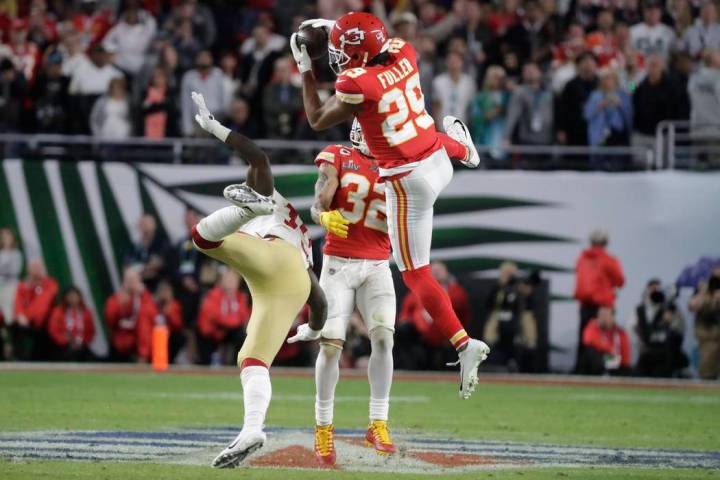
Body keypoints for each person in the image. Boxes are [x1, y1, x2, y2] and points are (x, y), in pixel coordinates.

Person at [297, 15, 491, 400]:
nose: (337, 56)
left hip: (409, 182)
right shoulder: (405, 49)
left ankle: (464, 344)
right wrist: (338, 25)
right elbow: (374, 42)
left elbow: (318, 118)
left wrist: (305, 68)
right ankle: (466, 149)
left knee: (416, 273)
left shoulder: (354, 83)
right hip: (439, 160)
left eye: (343, 49)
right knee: (424, 129)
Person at [188, 92, 327, 468]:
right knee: (252, 360)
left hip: (273, 257)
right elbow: (319, 301)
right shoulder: (297, 229)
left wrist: (216, 128)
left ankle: (241, 210)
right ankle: (252, 429)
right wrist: (314, 329)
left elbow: (258, 158)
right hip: (294, 280)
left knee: (202, 236)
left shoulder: (268, 200)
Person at [398, 260, 472, 368]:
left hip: (445, 335)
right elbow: (405, 313)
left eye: (439, 270)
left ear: (447, 272)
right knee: (404, 330)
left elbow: (464, 315)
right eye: (433, 270)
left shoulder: (456, 292)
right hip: (420, 334)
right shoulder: (417, 291)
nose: (436, 273)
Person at [573, 229, 625, 372]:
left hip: (585, 305)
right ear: (605, 243)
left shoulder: (581, 259)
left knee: (584, 340)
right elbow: (620, 281)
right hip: (603, 307)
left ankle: (581, 371)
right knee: (608, 339)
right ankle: (611, 369)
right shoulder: (609, 260)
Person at [633, 279, 688, 377]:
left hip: (666, 353)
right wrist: (640, 343)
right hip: (647, 353)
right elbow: (632, 329)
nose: (655, 292)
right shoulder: (640, 309)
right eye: (652, 289)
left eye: (658, 289)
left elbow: (680, 330)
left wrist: (671, 320)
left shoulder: (670, 308)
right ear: (646, 291)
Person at [196, 270, 250, 365]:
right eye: (228, 280)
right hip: (213, 331)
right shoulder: (213, 295)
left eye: (233, 281)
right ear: (221, 281)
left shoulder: (240, 297)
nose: (230, 284)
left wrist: (233, 321)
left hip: (230, 330)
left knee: (241, 335)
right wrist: (233, 321)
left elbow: (244, 315)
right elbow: (214, 315)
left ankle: (237, 364)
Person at [583, 67, 633, 169]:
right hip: (600, 139)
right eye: (605, 78)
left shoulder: (623, 94)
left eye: (610, 78)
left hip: (618, 138)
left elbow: (630, 116)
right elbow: (586, 115)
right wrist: (600, 106)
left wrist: (620, 104)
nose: (608, 81)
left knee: (618, 166)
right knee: (597, 167)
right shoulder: (595, 95)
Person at [104, 267, 157, 362]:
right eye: (128, 280)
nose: (131, 283)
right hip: (120, 343)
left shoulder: (145, 298)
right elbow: (110, 321)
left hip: (139, 343)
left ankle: (143, 356)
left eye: (134, 280)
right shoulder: (116, 299)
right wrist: (121, 306)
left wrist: (144, 294)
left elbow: (152, 318)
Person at [11, 259, 58, 360]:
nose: (36, 270)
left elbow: (43, 304)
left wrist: (42, 282)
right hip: (26, 322)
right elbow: (18, 303)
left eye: (39, 267)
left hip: (44, 324)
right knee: (15, 326)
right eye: (34, 267)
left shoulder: (50, 283)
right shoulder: (23, 286)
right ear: (28, 270)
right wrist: (20, 315)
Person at [503, 62, 554, 149]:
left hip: (548, 138)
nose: (530, 73)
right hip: (527, 139)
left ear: (540, 72)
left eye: (532, 70)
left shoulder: (549, 91)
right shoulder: (519, 92)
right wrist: (506, 137)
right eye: (526, 70)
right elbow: (512, 116)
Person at [101, 0, 157, 77]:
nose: (131, 16)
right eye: (129, 14)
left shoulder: (146, 26)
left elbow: (152, 39)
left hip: (140, 64)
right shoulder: (119, 27)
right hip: (120, 64)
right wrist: (113, 51)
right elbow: (106, 42)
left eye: (134, 14)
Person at [180, 50, 227, 136]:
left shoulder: (218, 74)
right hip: (197, 124)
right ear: (196, 60)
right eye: (201, 57)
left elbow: (223, 99)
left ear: (211, 60)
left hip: (216, 123)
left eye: (206, 57)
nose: (203, 59)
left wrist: (223, 124)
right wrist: (187, 128)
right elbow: (185, 103)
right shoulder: (189, 77)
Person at [556, 51, 598, 147]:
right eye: (584, 61)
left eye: (591, 61)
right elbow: (563, 109)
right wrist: (561, 129)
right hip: (575, 129)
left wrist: (631, 83)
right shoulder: (570, 85)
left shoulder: (601, 83)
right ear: (578, 65)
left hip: (597, 128)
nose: (588, 64)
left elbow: (629, 91)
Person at [47, 286, 95, 361]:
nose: (72, 299)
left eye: (75, 296)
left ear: (79, 297)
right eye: (70, 296)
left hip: (82, 345)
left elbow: (91, 331)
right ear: (65, 297)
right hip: (63, 347)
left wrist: (81, 342)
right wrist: (66, 341)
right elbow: (53, 331)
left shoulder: (86, 312)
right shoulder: (58, 311)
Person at [472, 65, 510, 161]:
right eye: (492, 77)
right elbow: (475, 116)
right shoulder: (480, 97)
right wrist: (484, 116)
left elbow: (511, 113)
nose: (495, 80)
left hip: (501, 138)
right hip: (484, 138)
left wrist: (499, 111)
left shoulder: (507, 96)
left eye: (498, 78)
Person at [688, 267, 720, 379]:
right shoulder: (703, 288)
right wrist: (712, 299)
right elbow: (692, 305)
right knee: (708, 371)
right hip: (709, 334)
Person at [579, 306, 631, 375]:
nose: (603, 318)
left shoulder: (620, 333)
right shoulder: (593, 326)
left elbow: (625, 359)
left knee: (628, 370)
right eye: (600, 315)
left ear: (612, 317)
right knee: (590, 352)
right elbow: (588, 340)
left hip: (615, 362)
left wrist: (610, 354)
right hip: (599, 360)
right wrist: (609, 349)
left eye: (606, 315)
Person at [124, 214, 169, 292]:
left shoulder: (161, 242)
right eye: (142, 224)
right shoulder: (135, 247)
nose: (144, 226)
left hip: (158, 285)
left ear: (154, 225)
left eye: (146, 223)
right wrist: (145, 271)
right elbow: (127, 267)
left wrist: (138, 271)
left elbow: (156, 263)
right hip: (139, 287)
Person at [432, 51, 476, 125]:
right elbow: (435, 106)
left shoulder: (469, 82)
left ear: (462, 62)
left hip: (462, 125)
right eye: (450, 61)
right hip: (443, 124)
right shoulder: (438, 81)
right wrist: (436, 125)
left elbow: (471, 107)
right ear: (446, 63)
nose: (453, 64)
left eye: (456, 61)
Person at [153, 279, 184, 362]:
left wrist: (169, 311)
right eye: (162, 291)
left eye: (166, 291)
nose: (164, 294)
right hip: (155, 337)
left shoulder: (174, 305)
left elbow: (178, 325)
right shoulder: (152, 305)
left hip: (171, 337)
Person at [0, 227, 22, 327]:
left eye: (7, 235)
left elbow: (14, 271)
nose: (5, 237)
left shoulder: (16, 254)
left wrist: (7, 249)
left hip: (11, 287)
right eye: (2, 235)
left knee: (11, 317)